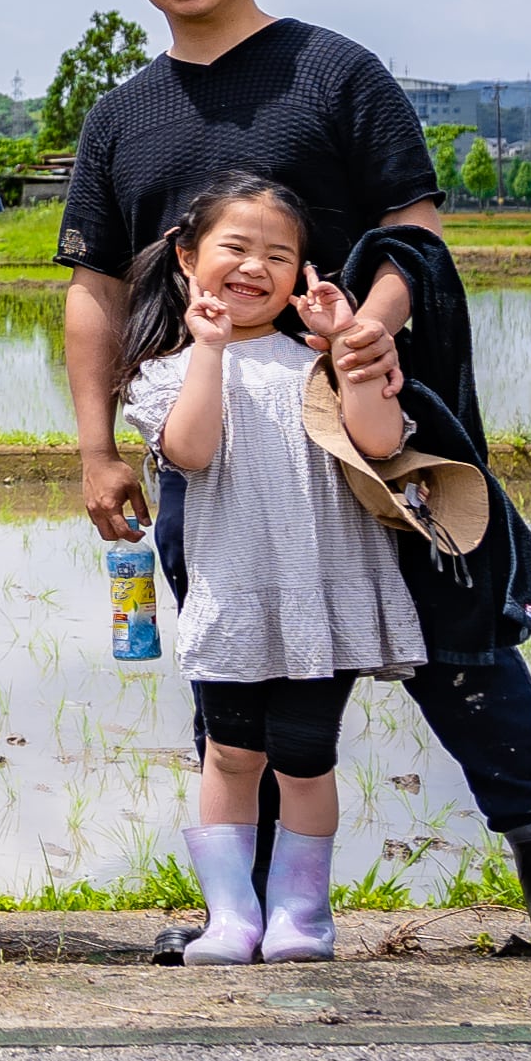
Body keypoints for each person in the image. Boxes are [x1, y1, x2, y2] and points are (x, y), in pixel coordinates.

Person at [56, 0, 531, 966]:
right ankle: (258, 907)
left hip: (360, 416)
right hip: (204, 427)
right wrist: (94, 446)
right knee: (240, 658)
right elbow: (94, 289)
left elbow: (414, 224)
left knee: (458, 641)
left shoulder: (332, 72)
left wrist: (374, 314)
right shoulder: (125, 114)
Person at [112, 175, 423, 962]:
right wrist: (210, 347)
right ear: (187, 258)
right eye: (235, 248)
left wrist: (348, 347)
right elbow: (191, 450)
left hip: (322, 593)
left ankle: (302, 917)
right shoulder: (166, 370)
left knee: (305, 755)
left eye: (278, 256)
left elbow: (381, 442)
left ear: (301, 276)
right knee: (232, 752)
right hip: (234, 589)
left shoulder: (320, 362)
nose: (255, 267)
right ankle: (231, 918)